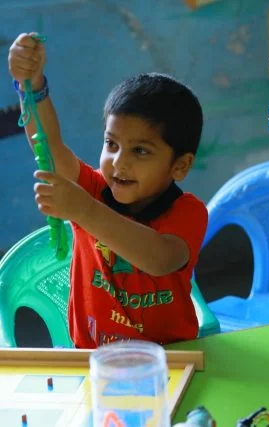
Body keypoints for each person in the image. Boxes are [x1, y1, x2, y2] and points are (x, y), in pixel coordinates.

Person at [8, 32, 208, 348]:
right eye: (111, 144)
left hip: (172, 359)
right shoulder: (92, 188)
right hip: (94, 361)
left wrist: (83, 211)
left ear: (180, 166)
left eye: (140, 151)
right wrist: (31, 86)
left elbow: (159, 258)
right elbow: (48, 146)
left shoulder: (188, 211)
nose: (119, 162)